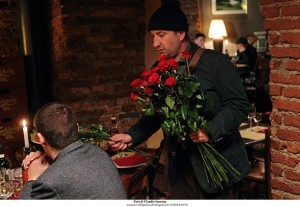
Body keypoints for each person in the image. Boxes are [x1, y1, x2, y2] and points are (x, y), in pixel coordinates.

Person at [110, 2, 250, 199]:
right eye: (153, 36)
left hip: (219, 169)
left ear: (181, 34)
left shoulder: (215, 62)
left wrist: (209, 130)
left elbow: (238, 105)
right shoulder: (159, 68)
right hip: (180, 170)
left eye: (161, 34)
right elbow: (155, 114)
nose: (155, 43)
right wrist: (132, 136)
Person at [20, 102, 127, 199]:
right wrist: (47, 157)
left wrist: (32, 179)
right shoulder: (100, 153)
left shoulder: (48, 182)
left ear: (41, 138)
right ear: (77, 128)